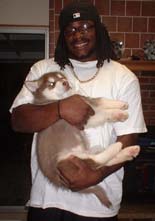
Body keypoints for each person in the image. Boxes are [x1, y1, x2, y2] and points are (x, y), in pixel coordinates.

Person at [11, 1, 147, 221]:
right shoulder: (43, 69)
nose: (77, 35)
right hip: (47, 201)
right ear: (63, 36)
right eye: (70, 30)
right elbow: (18, 120)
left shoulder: (123, 77)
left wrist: (96, 175)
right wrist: (59, 108)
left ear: (98, 31)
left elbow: (129, 136)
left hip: (98, 207)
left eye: (85, 26)